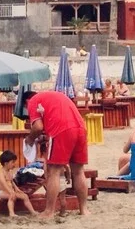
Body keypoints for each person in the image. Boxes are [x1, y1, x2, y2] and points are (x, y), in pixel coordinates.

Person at [24, 90, 89, 219]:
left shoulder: (32, 101)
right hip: (80, 128)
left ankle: (49, 211)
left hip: (61, 130)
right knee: (79, 171)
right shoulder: (53, 96)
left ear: (26, 102)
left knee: (54, 170)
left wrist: (30, 139)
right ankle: (84, 209)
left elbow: (37, 127)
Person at [0, 151, 37, 218]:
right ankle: (11, 213)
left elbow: (12, 182)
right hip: (1, 192)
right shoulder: (1, 172)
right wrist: (10, 192)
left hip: (9, 190)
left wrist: (17, 189)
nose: (14, 164)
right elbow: (3, 183)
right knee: (12, 196)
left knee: (25, 196)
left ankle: (33, 212)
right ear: (6, 163)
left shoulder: (9, 172)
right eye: (12, 162)